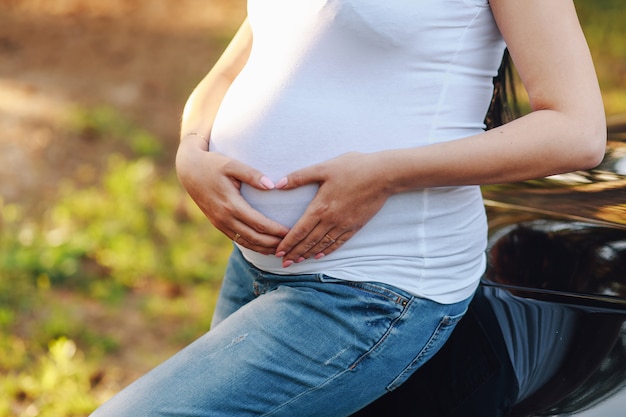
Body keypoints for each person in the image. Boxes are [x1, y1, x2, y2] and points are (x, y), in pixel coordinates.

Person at [90, 0, 606, 416]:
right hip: (254, 263)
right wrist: (192, 146)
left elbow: (576, 130)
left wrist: (384, 174)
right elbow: (242, 58)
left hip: (374, 290)